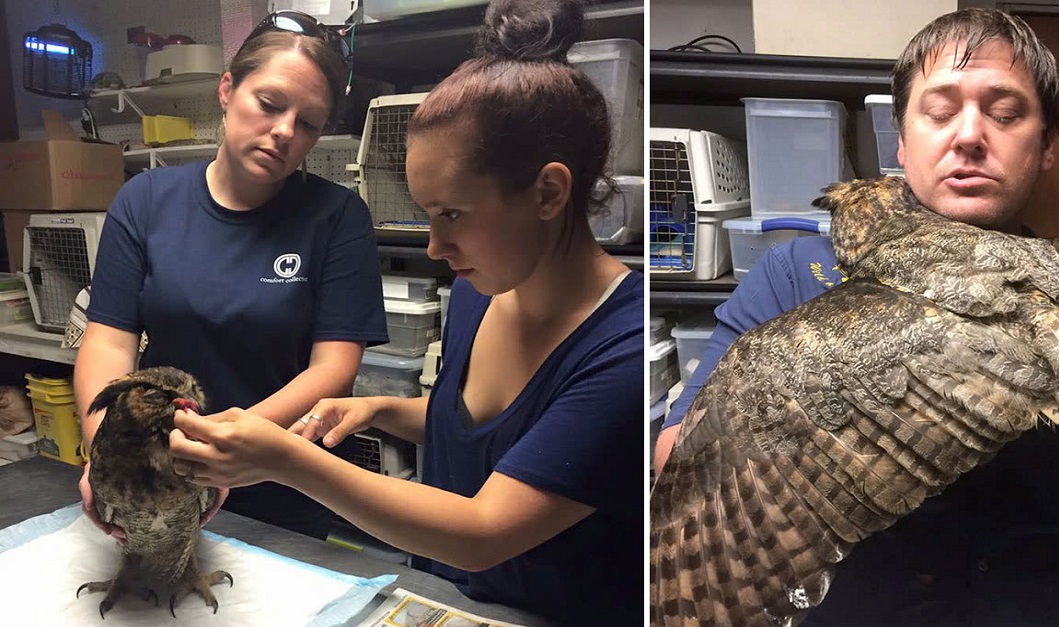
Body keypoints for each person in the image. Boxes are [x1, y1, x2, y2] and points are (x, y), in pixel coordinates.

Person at [654, 8, 1059, 626]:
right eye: (940, 112)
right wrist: (832, 398)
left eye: (1006, 112)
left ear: (1046, 146)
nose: (969, 135)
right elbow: (680, 467)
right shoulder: (797, 277)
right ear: (902, 140)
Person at [167, 0, 644, 624]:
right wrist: (384, 410)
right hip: (440, 600)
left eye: (451, 215)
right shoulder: (483, 288)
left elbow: (482, 531)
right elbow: (497, 429)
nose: (435, 248)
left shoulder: (622, 347)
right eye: (427, 215)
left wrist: (285, 460)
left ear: (548, 193)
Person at [75, 10, 388, 541]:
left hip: (279, 478)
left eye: (309, 123)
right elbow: (108, 343)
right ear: (227, 89)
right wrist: (107, 449)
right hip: (157, 470)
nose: (285, 131)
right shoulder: (146, 201)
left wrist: (222, 448)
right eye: (269, 104)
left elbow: (332, 370)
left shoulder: (337, 217)